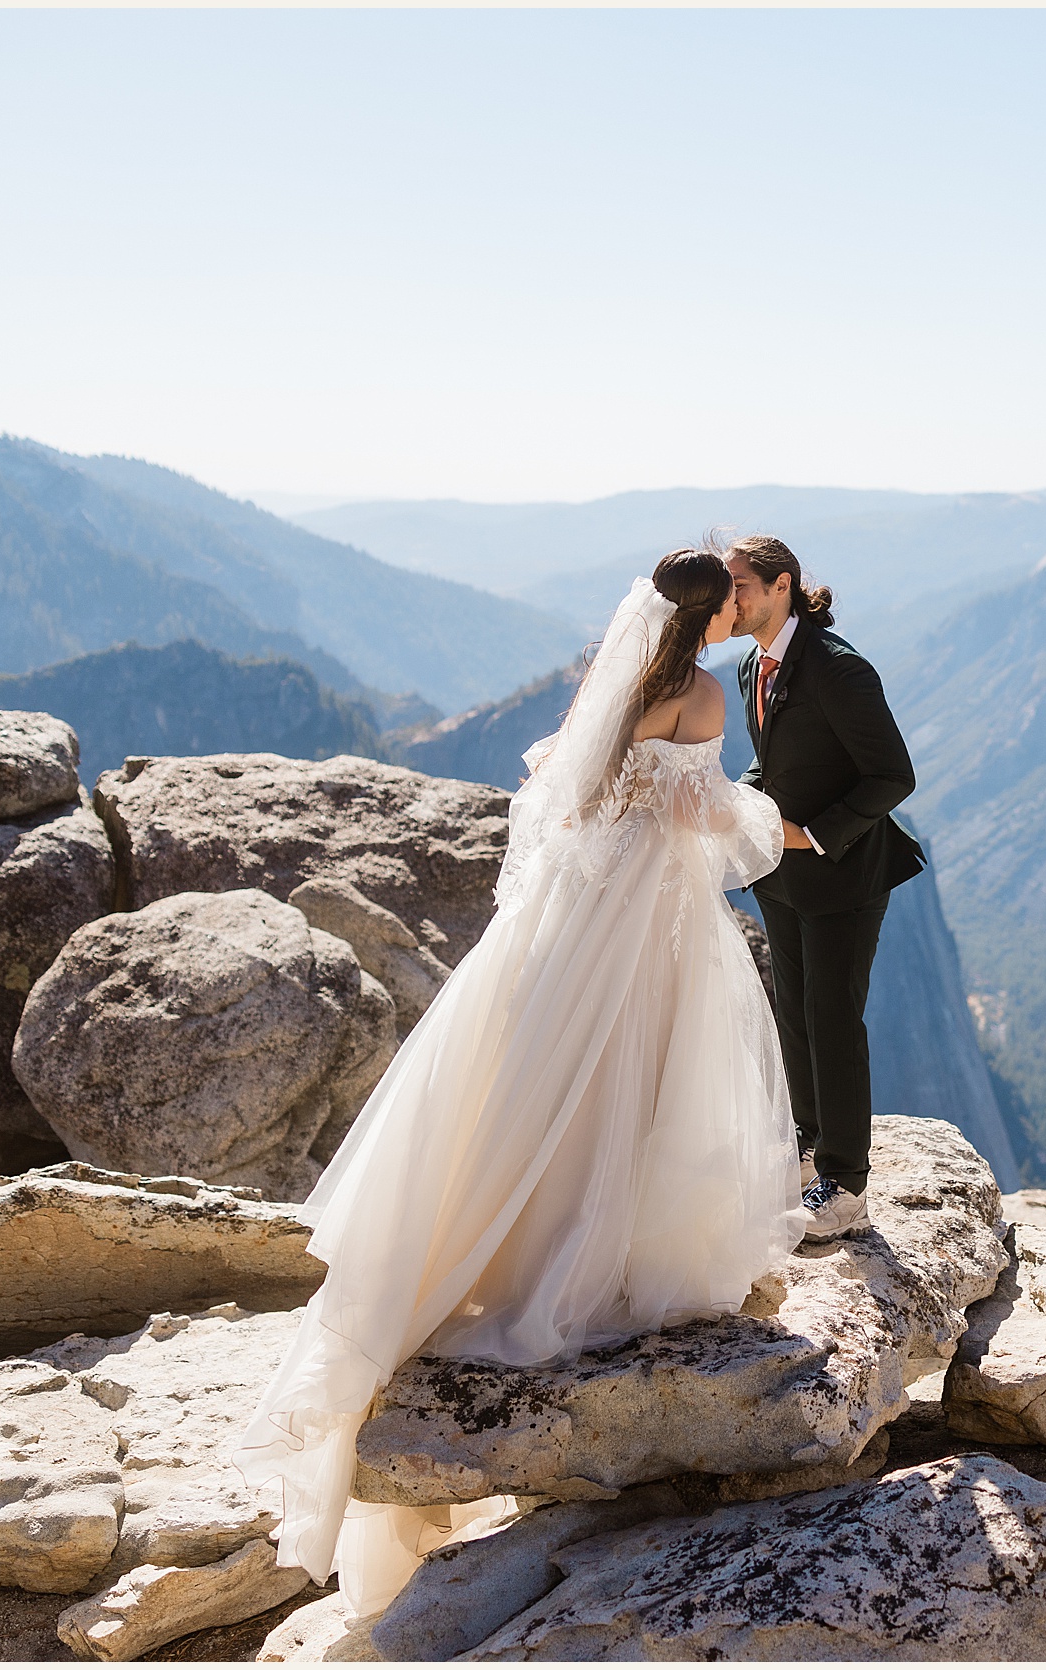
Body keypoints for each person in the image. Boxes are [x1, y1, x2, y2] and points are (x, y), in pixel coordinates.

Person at [232, 549, 808, 1608]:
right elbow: (699, 813)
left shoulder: (616, 678)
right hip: (653, 914)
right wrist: (773, 823)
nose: (739, 605)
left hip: (578, 906)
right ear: (704, 613)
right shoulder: (702, 693)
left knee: (544, 1077)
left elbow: (570, 788)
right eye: (728, 597)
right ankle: (601, 1248)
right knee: (643, 1079)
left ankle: (512, 1235)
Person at [725, 535, 927, 1241]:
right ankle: (809, 1150)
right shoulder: (753, 662)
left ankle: (846, 1188)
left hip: (842, 875)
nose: (732, 598)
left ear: (782, 586)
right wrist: (741, 804)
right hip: (780, 875)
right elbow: (774, 765)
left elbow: (893, 776)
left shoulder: (840, 671)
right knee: (796, 1016)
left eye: (742, 584)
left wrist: (810, 834)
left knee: (835, 1024)